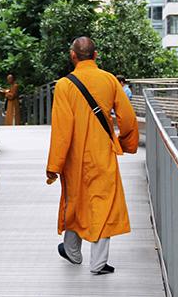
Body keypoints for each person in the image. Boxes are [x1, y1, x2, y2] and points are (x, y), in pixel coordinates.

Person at [46, 37, 139, 275]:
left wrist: (55, 165)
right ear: (95, 55)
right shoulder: (109, 80)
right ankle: (98, 263)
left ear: (72, 55)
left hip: (75, 157)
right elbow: (127, 118)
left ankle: (73, 252)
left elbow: (61, 129)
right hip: (102, 152)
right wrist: (127, 143)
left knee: (75, 201)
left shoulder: (65, 85)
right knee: (103, 204)